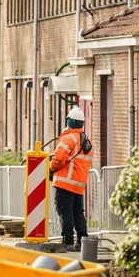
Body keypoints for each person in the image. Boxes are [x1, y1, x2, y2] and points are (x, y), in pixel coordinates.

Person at [50, 106, 93, 252]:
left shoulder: (68, 139)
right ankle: (83, 240)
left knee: (65, 211)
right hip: (78, 184)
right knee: (77, 212)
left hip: (64, 183)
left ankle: (68, 242)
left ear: (69, 121)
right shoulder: (86, 141)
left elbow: (58, 160)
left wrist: (49, 167)